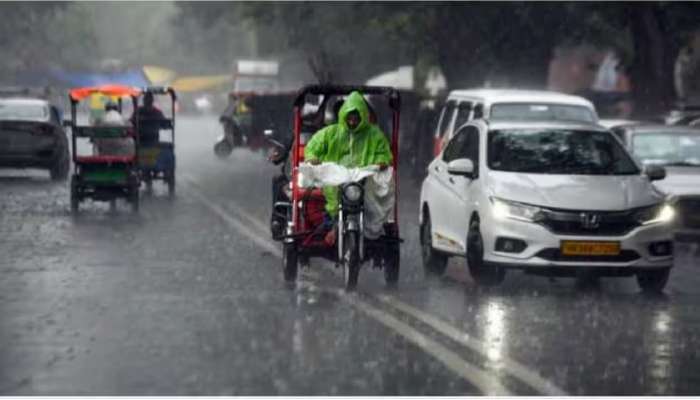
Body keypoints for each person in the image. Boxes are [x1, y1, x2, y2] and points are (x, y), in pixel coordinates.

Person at [304, 91, 393, 244]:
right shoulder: (332, 133)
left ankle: (371, 229)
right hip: (337, 180)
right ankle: (333, 225)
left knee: (381, 193)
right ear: (343, 116)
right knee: (325, 202)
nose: (352, 121)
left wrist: (381, 162)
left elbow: (384, 153)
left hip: (364, 179)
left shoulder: (374, 134)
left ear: (363, 117)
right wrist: (313, 158)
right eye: (349, 118)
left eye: (356, 118)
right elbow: (313, 145)